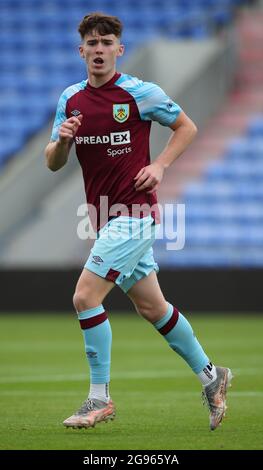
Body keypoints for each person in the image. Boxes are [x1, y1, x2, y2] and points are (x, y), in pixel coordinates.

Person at [45, 12, 233, 431]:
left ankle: (98, 398)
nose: (98, 49)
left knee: (85, 297)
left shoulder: (139, 93)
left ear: (118, 50)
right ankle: (211, 375)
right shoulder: (71, 100)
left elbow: (186, 127)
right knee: (152, 307)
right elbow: (53, 163)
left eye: (106, 42)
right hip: (102, 217)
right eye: (91, 43)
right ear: (81, 51)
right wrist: (62, 141)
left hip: (134, 214)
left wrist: (162, 165)